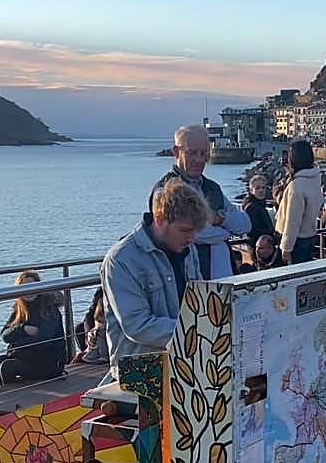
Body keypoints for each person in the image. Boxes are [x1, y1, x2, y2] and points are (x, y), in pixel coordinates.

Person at [102, 179, 207, 379]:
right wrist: (199, 331)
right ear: (160, 220)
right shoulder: (121, 259)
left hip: (183, 361)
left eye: (195, 231)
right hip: (141, 371)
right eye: (185, 230)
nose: (192, 238)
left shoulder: (188, 248)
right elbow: (137, 325)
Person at [150, 124, 250, 280]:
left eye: (203, 153)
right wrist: (226, 232)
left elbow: (245, 224)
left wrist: (218, 219)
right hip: (190, 283)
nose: (199, 159)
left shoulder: (212, 188)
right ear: (176, 152)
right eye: (192, 153)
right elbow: (196, 234)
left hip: (225, 282)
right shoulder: (165, 190)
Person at [0, 271, 66, 386]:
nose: (28, 291)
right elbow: (5, 335)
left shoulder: (49, 309)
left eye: (32, 286)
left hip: (49, 361)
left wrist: (17, 342)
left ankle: (14, 395)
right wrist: (23, 330)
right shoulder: (20, 309)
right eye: (24, 287)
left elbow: (42, 340)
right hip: (26, 356)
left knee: (9, 366)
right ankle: (6, 392)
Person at [275, 140, 324, 264]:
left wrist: (286, 247)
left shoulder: (296, 186)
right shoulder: (314, 180)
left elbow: (293, 220)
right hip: (309, 235)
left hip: (296, 241)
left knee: (291, 277)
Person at [241, 175, 276, 244]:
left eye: (263, 188)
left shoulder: (260, 205)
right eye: (257, 188)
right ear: (251, 190)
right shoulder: (251, 207)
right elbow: (252, 230)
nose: (261, 190)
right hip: (258, 246)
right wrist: (271, 232)